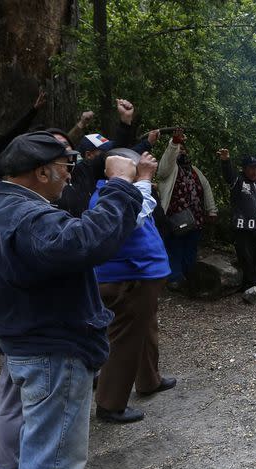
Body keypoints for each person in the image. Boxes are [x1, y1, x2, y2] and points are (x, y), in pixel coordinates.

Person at [0, 132, 143, 469]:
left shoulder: (5, 207)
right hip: (53, 352)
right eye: (66, 167)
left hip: (27, 342)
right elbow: (85, 242)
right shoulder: (28, 218)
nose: (71, 176)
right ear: (42, 172)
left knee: (40, 454)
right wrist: (121, 185)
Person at [90, 148, 176, 424]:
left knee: (146, 327)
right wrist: (145, 178)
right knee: (124, 339)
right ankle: (110, 404)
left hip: (144, 277)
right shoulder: (111, 195)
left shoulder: (125, 191)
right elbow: (136, 216)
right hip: (128, 279)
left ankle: (149, 379)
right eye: (134, 166)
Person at [157, 128, 218, 286]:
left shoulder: (195, 171)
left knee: (190, 250)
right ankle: (175, 279)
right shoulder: (168, 170)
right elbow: (164, 167)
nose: (181, 152)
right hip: (175, 218)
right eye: (179, 150)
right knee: (175, 248)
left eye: (183, 149)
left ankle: (190, 277)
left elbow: (206, 189)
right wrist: (174, 143)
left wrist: (211, 210)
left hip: (195, 219)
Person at [218, 149, 256, 290]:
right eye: (251, 168)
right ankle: (250, 285)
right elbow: (228, 176)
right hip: (242, 227)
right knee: (245, 254)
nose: (254, 172)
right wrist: (226, 161)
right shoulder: (238, 180)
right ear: (244, 169)